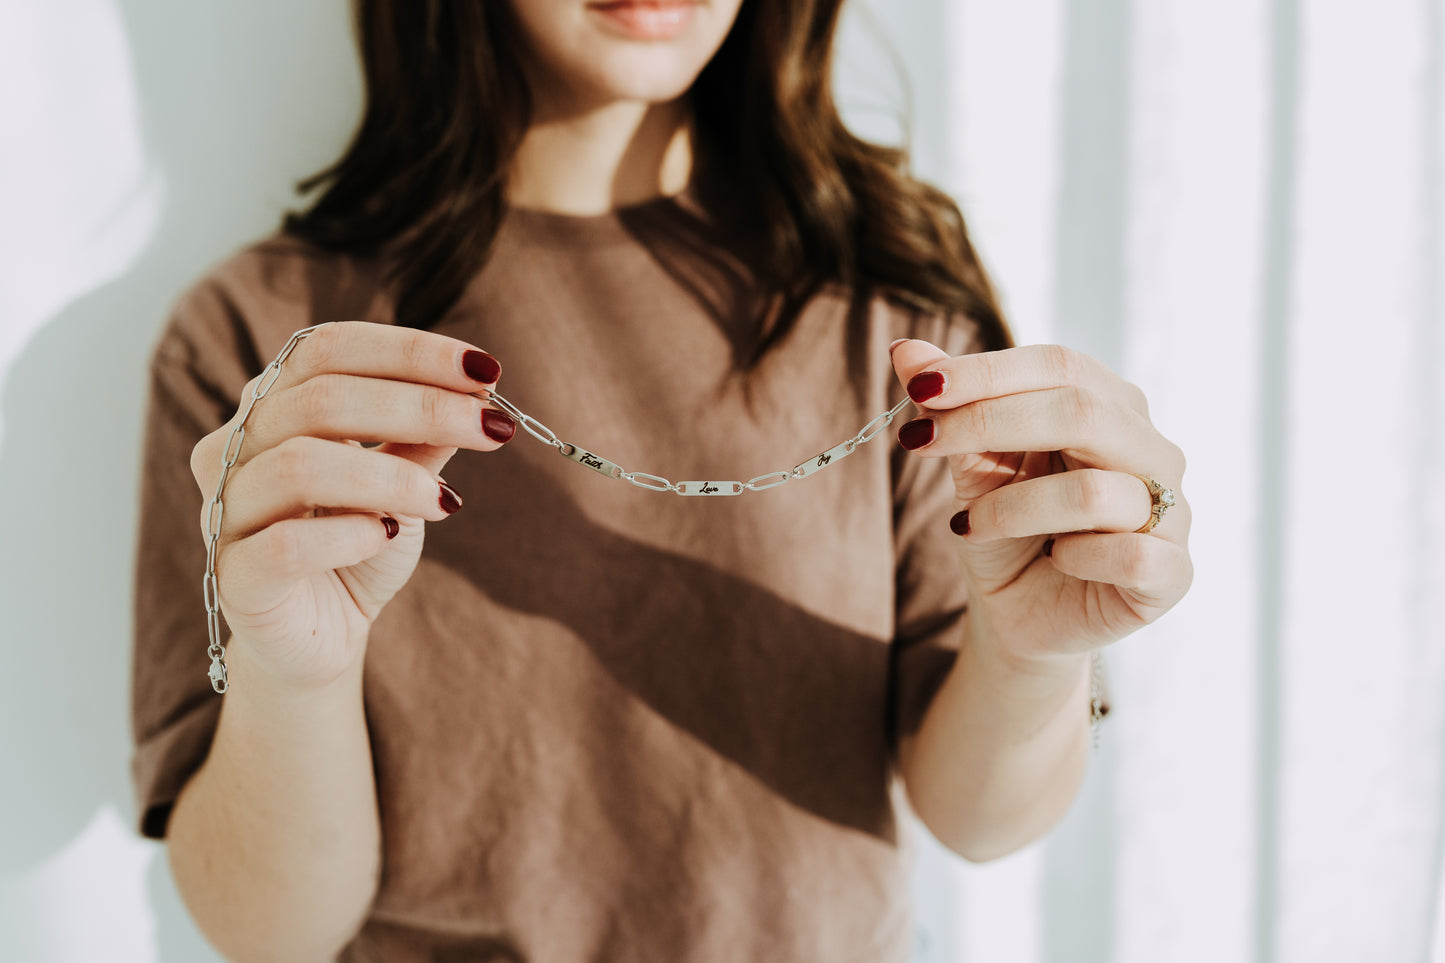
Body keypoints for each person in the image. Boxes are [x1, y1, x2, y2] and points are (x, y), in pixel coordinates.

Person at [129, 0, 1193, 960]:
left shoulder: (889, 304)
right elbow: (262, 931)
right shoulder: (274, 358)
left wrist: (1031, 656)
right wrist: (295, 675)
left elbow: (978, 820)